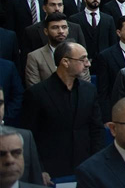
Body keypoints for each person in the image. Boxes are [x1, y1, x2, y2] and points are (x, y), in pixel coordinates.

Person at [21, 40, 103, 178]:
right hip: (51, 168)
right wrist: (39, 169)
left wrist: (97, 162)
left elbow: (97, 129)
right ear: (65, 62)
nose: (88, 64)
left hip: (85, 165)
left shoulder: (89, 90)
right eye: (82, 59)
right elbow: (29, 136)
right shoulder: (36, 93)